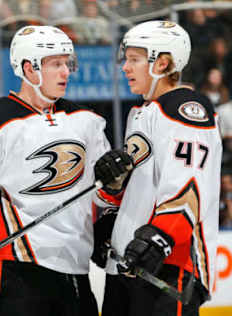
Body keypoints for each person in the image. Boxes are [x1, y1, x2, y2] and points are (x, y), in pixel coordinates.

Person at [0, 25, 108, 316]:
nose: (66, 72)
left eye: (67, 63)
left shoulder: (87, 120)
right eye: (56, 64)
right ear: (29, 68)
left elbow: (105, 193)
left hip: (74, 265)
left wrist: (115, 191)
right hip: (15, 266)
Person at [92, 21, 222, 316]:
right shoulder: (141, 113)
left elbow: (188, 190)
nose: (125, 67)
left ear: (162, 63)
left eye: (134, 60)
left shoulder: (186, 109)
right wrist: (113, 220)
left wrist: (159, 238)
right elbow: (141, 191)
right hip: (127, 265)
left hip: (168, 267)